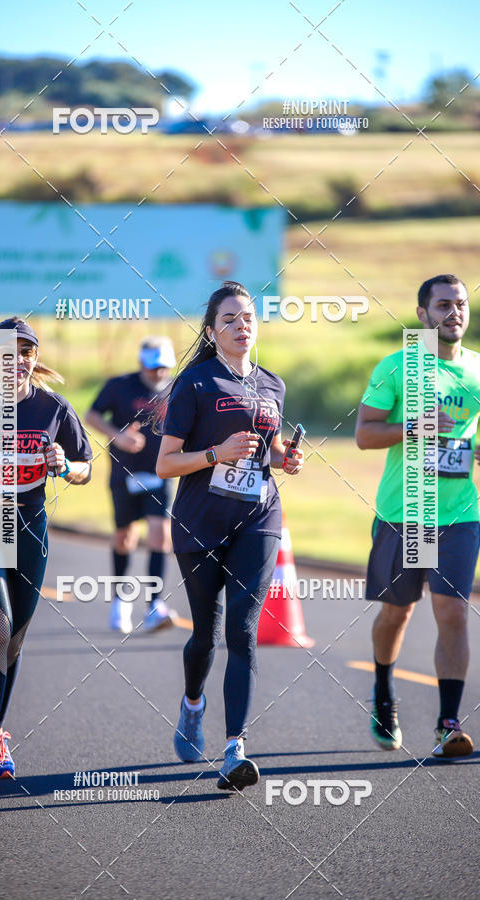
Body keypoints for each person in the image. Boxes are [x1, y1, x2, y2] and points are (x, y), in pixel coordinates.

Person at [156, 281, 304, 790]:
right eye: (230, 319)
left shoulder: (273, 386)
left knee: (242, 628)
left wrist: (287, 459)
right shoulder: (195, 384)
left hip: (258, 517)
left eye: (248, 317)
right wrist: (216, 454)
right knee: (206, 634)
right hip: (200, 522)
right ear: (212, 330)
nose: (242, 325)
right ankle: (192, 702)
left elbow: (270, 451)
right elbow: (166, 462)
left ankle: (235, 748)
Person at [355, 274, 480, 758]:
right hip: (406, 512)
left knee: (453, 611)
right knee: (397, 611)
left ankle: (447, 723)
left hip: (459, 513)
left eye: (460, 304)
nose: (454, 312)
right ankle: (383, 691)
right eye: (443, 305)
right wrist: (411, 426)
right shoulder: (398, 366)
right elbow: (364, 433)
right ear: (423, 315)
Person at [0, 317, 93, 780]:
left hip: (29, 526)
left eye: (26, 352)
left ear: (34, 357)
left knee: (13, 639)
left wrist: (65, 465)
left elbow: (85, 467)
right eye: (6, 353)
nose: (17, 361)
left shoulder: (53, 407)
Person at [85, 337, 176, 634]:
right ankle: (120, 601)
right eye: (152, 368)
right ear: (141, 363)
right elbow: (91, 415)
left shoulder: (177, 389)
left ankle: (154, 605)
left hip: (160, 474)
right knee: (125, 537)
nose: (157, 373)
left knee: (160, 533)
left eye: (163, 367)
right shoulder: (119, 385)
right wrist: (117, 436)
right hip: (124, 475)